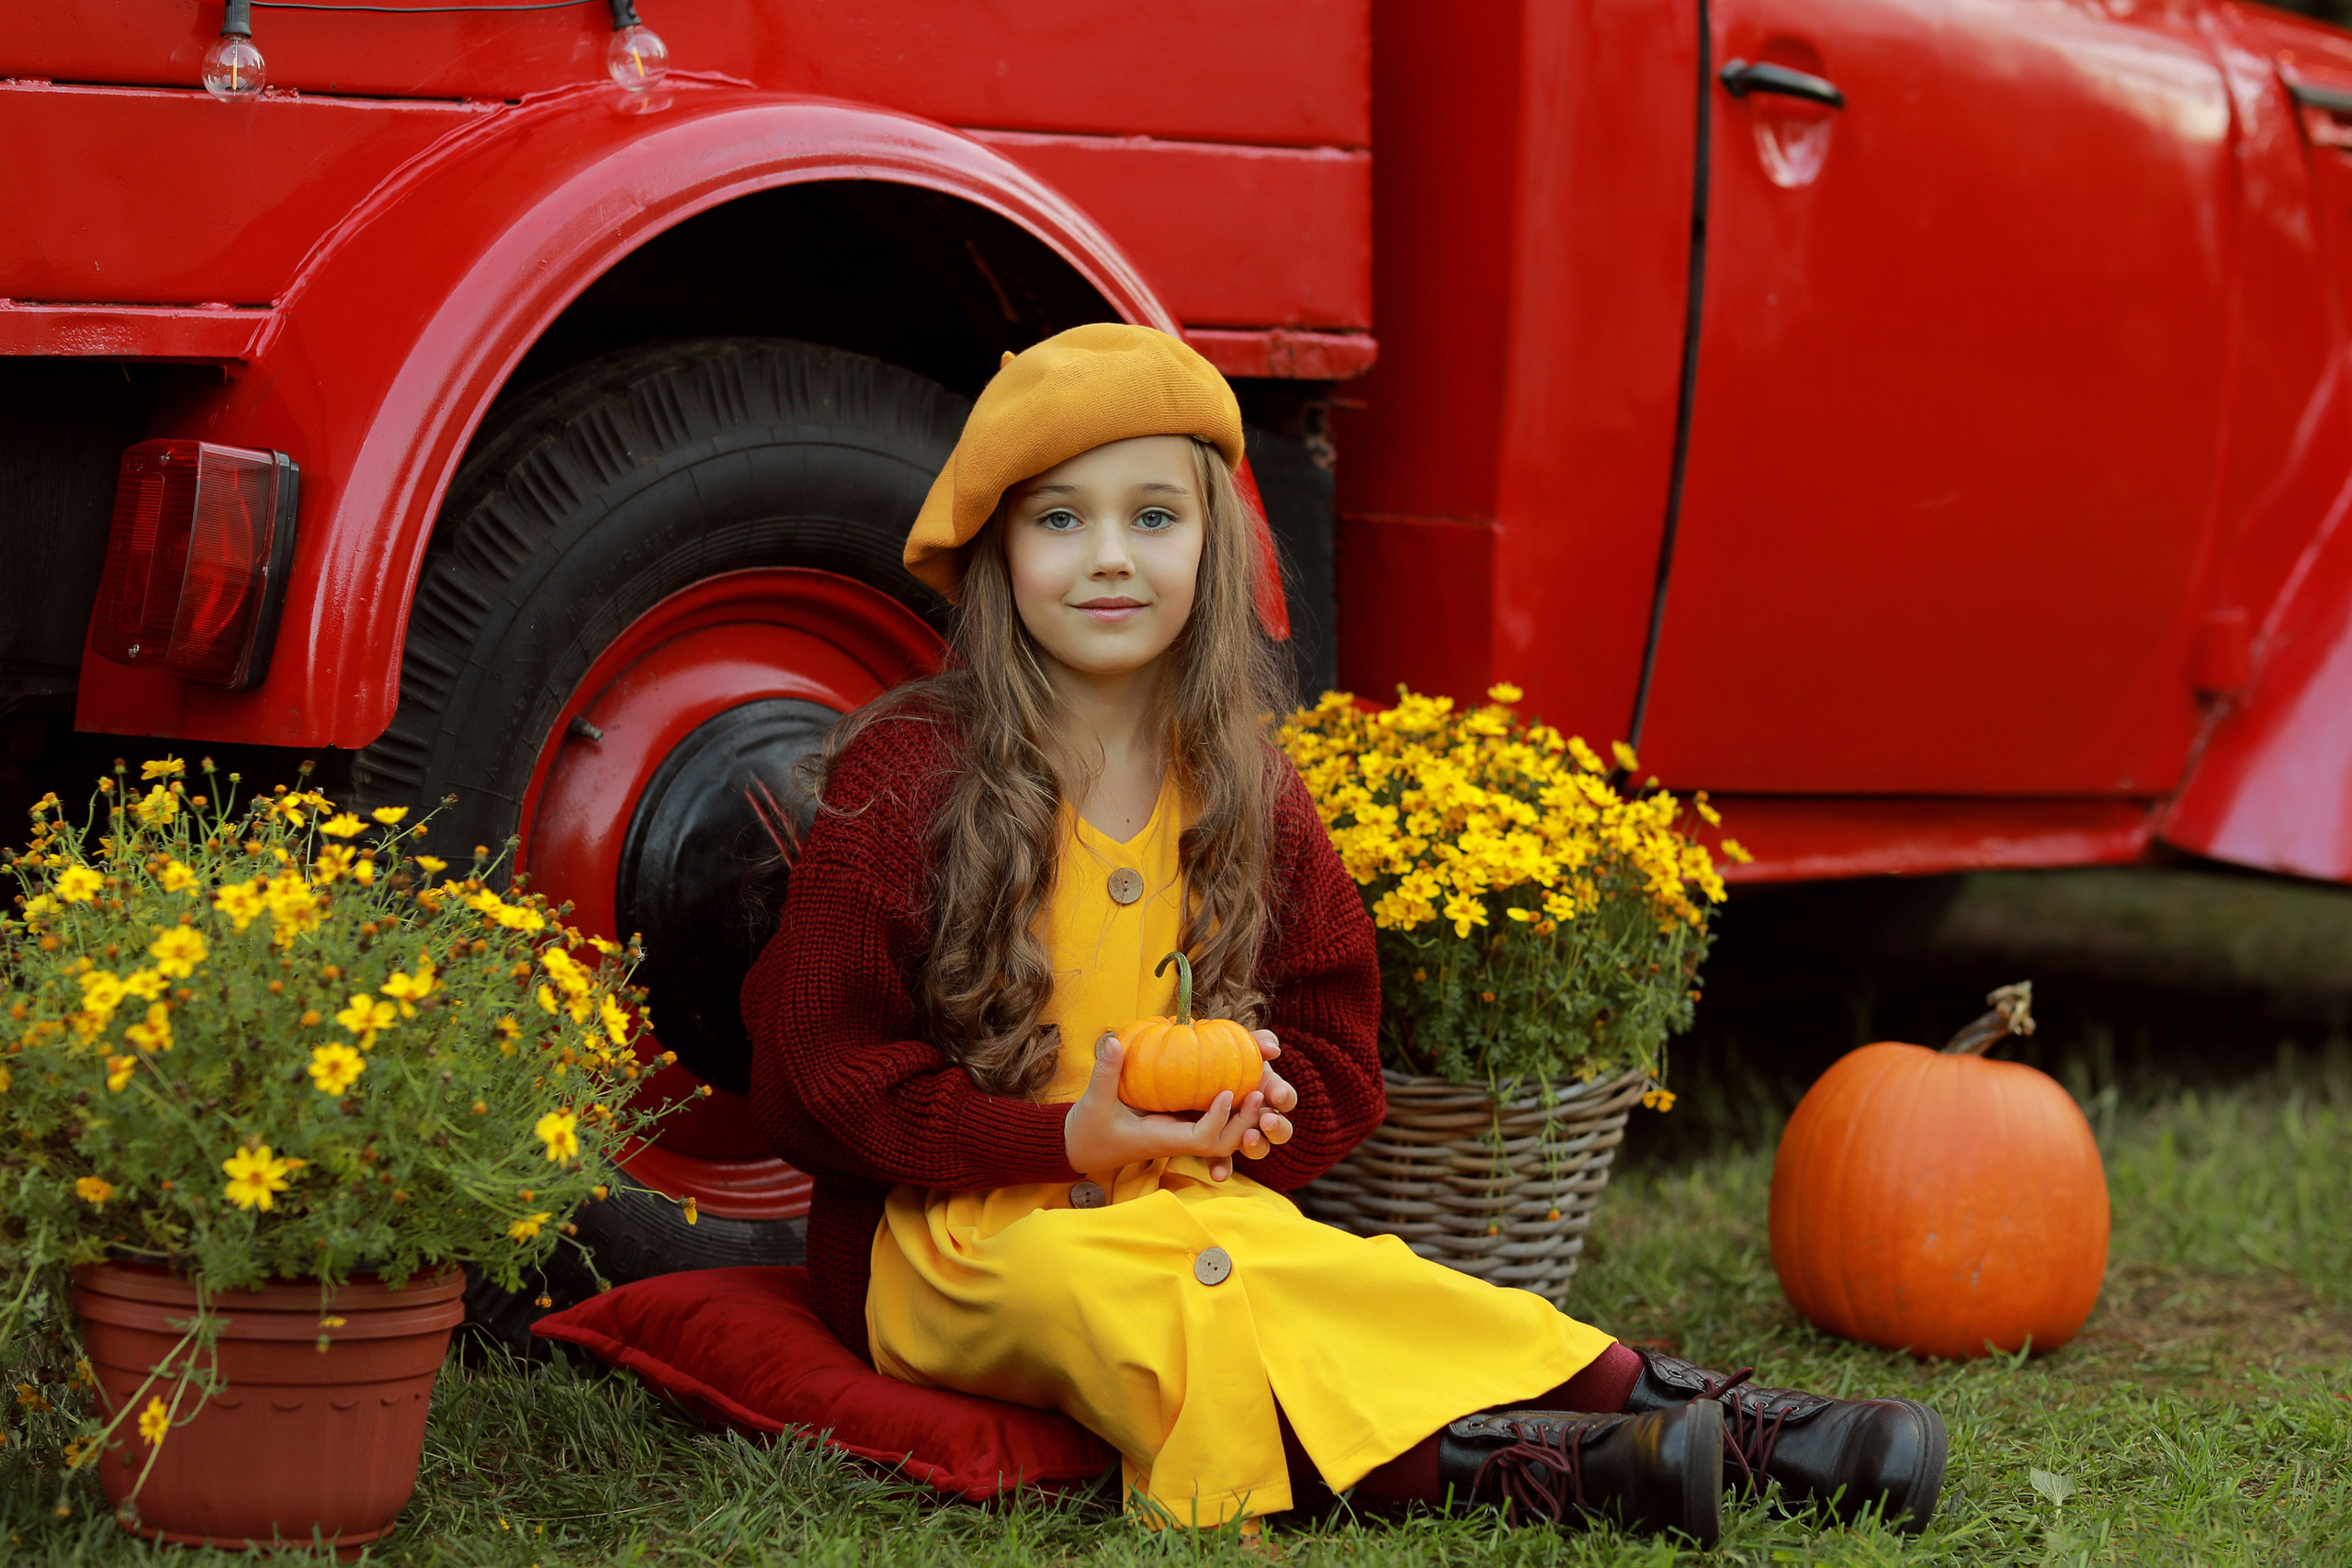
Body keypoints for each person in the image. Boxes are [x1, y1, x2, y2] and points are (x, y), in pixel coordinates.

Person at [744, 325, 1946, 1541]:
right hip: (946, 1245)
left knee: (1367, 1283)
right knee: (1157, 1307)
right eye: (1060, 521)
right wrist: (1069, 1136)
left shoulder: (1245, 789)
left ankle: (1723, 1427)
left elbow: (1334, 1053)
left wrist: (1263, 1110)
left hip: (1180, 1200)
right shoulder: (913, 777)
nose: (1110, 559)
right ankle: (1530, 1471)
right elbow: (816, 1081)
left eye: (1153, 517)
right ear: (998, 549)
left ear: (1213, 545)